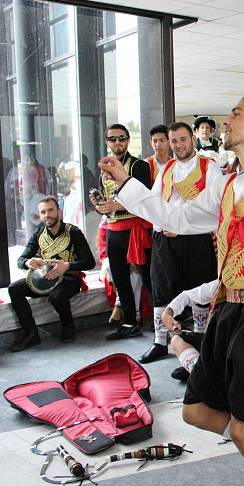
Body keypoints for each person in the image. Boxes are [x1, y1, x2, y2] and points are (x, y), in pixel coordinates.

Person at [99, 93, 244, 486]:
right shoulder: (229, 185)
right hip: (229, 312)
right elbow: (175, 215)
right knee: (197, 411)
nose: (227, 120)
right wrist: (126, 185)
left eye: (236, 114)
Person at [139, 122, 220, 365]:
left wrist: (183, 225)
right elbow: (154, 200)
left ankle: (200, 340)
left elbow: (214, 205)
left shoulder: (210, 167)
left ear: (192, 139)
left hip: (196, 239)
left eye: (183, 139)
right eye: (174, 141)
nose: (178, 145)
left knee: (199, 291)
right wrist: (161, 225)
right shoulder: (167, 169)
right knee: (161, 289)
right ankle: (159, 341)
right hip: (165, 239)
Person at [8, 196, 96, 351]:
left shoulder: (73, 232)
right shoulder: (38, 233)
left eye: (50, 210)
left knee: (57, 295)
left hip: (70, 278)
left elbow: (90, 263)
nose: (47, 215)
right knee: (14, 289)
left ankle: (68, 326)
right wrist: (27, 262)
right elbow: (21, 259)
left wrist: (67, 266)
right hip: (44, 279)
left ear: (59, 212)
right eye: (43, 212)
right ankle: (31, 333)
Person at [92, 123, 152, 340]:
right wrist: (101, 205)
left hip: (135, 228)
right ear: (107, 142)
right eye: (113, 139)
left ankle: (158, 322)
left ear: (128, 140)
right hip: (113, 229)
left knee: (148, 277)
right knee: (120, 278)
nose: (117, 142)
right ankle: (129, 322)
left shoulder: (139, 166)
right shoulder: (105, 167)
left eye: (122, 138)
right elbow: (110, 200)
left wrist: (114, 206)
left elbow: (146, 199)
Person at [160, 279, 218, 383]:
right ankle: (199, 372)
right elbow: (187, 296)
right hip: (215, 344)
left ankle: (200, 372)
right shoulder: (221, 284)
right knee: (177, 339)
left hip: (239, 351)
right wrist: (167, 313)